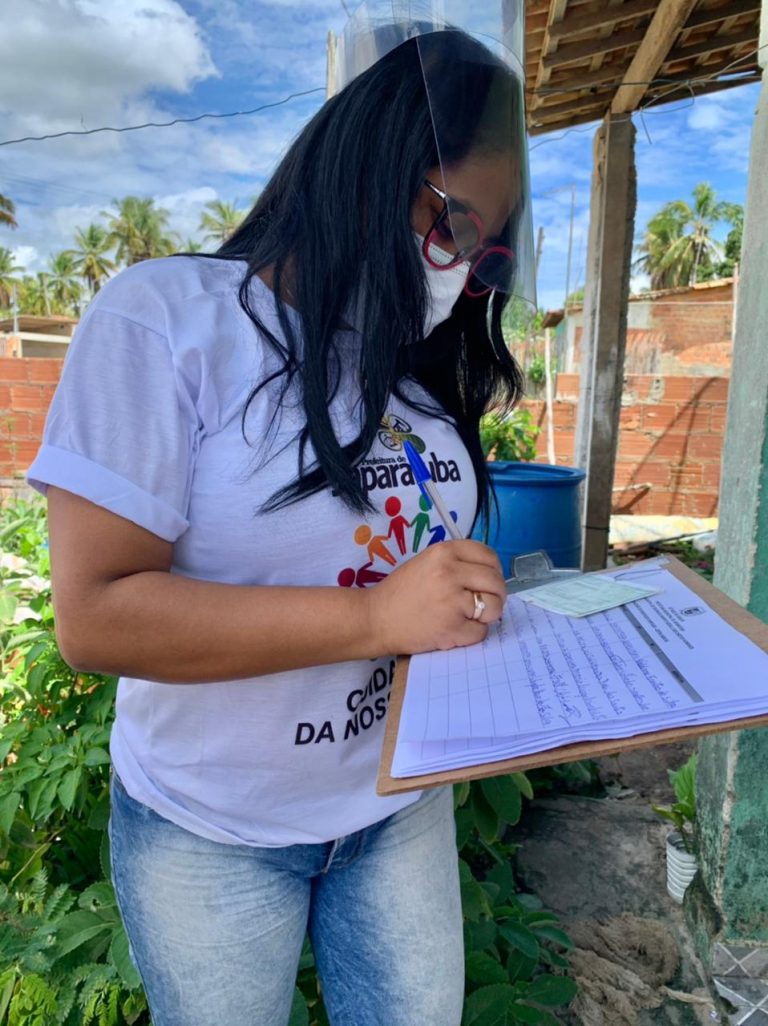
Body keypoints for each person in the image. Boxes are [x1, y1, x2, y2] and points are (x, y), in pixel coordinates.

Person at [28, 3, 534, 1023]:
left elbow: (417, 570)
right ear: (368, 166)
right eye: (453, 224)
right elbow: (96, 616)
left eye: (487, 254)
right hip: (213, 828)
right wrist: (374, 616)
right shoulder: (168, 318)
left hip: (399, 806)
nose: (461, 269)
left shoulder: (413, 364)